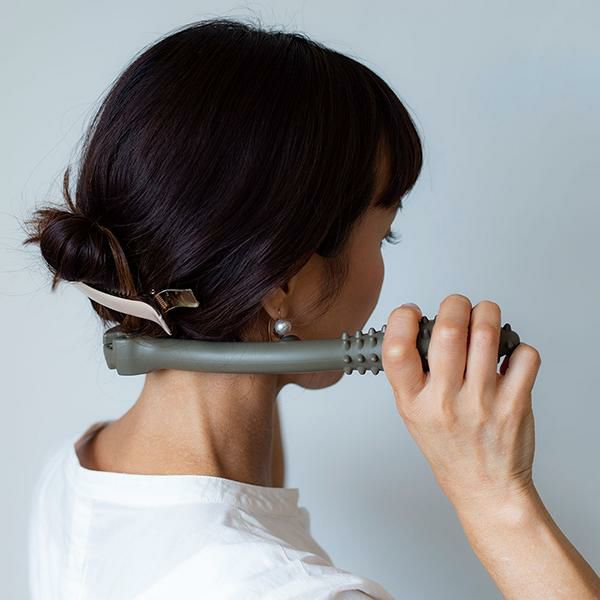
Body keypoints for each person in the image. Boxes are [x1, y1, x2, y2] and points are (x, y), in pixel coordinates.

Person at [22, 17, 599, 600]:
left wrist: (268, 325)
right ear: (284, 280)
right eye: (384, 235)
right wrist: (494, 494)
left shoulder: (76, 475)